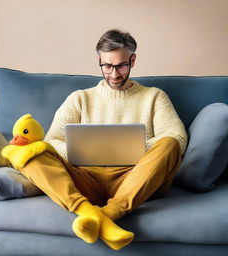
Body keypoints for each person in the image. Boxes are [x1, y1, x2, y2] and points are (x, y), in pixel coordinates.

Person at [18, 29, 188, 250]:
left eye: (121, 65)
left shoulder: (154, 96)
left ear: (133, 60)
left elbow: (177, 138)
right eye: (107, 66)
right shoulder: (79, 98)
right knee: (31, 151)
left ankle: (105, 216)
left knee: (170, 144)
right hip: (85, 178)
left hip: (136, 180)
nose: (114, 74)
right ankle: (86, 211)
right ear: (99, 61)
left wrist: (136, 148)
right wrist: (84, 151)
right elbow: (52, 140)